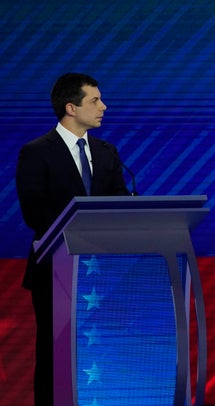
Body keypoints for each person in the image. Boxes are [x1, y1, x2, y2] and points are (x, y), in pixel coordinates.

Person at [15, 73, 130, 404]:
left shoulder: (107, 152)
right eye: (95, 101)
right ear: (70, 107)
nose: (103, 107)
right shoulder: (36, 152)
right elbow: (34, 213)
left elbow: (121, 205)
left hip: (105, 273)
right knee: (55, 355)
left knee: (101, 354)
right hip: (57, 270)